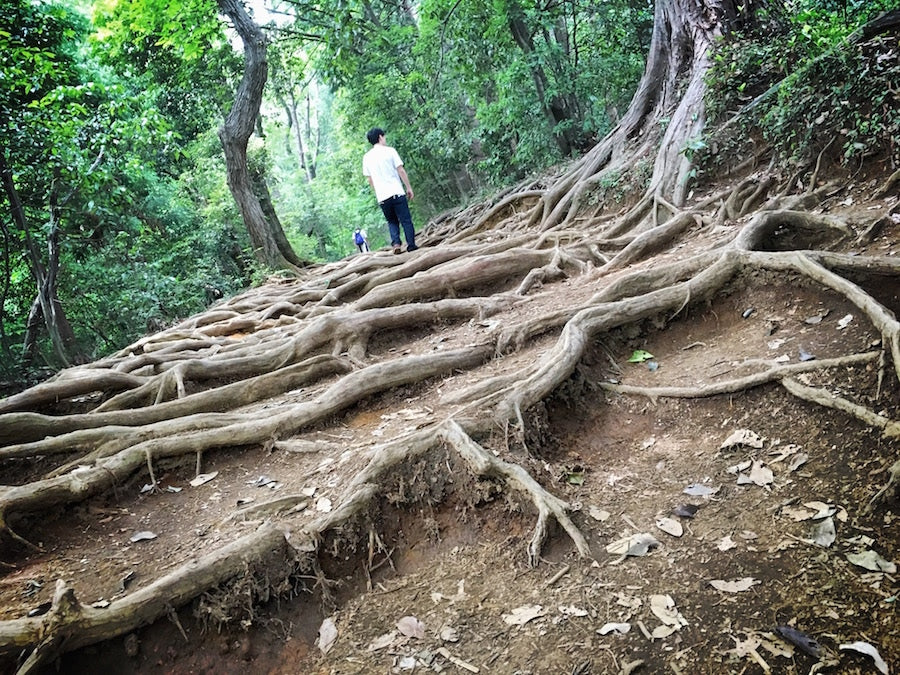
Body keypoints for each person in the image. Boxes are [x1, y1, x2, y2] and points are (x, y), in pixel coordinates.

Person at [362, 128, 418, 254]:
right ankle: (411, 245)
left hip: (382, 196)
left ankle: (396, 243)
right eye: (384, 137)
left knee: (392, 221)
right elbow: (401, 170)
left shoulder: (366, 158)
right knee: (405, 220)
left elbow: (370, 179)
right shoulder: (390, 151)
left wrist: (378, 192)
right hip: (396, 191)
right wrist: (408, 187)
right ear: (380, 137)